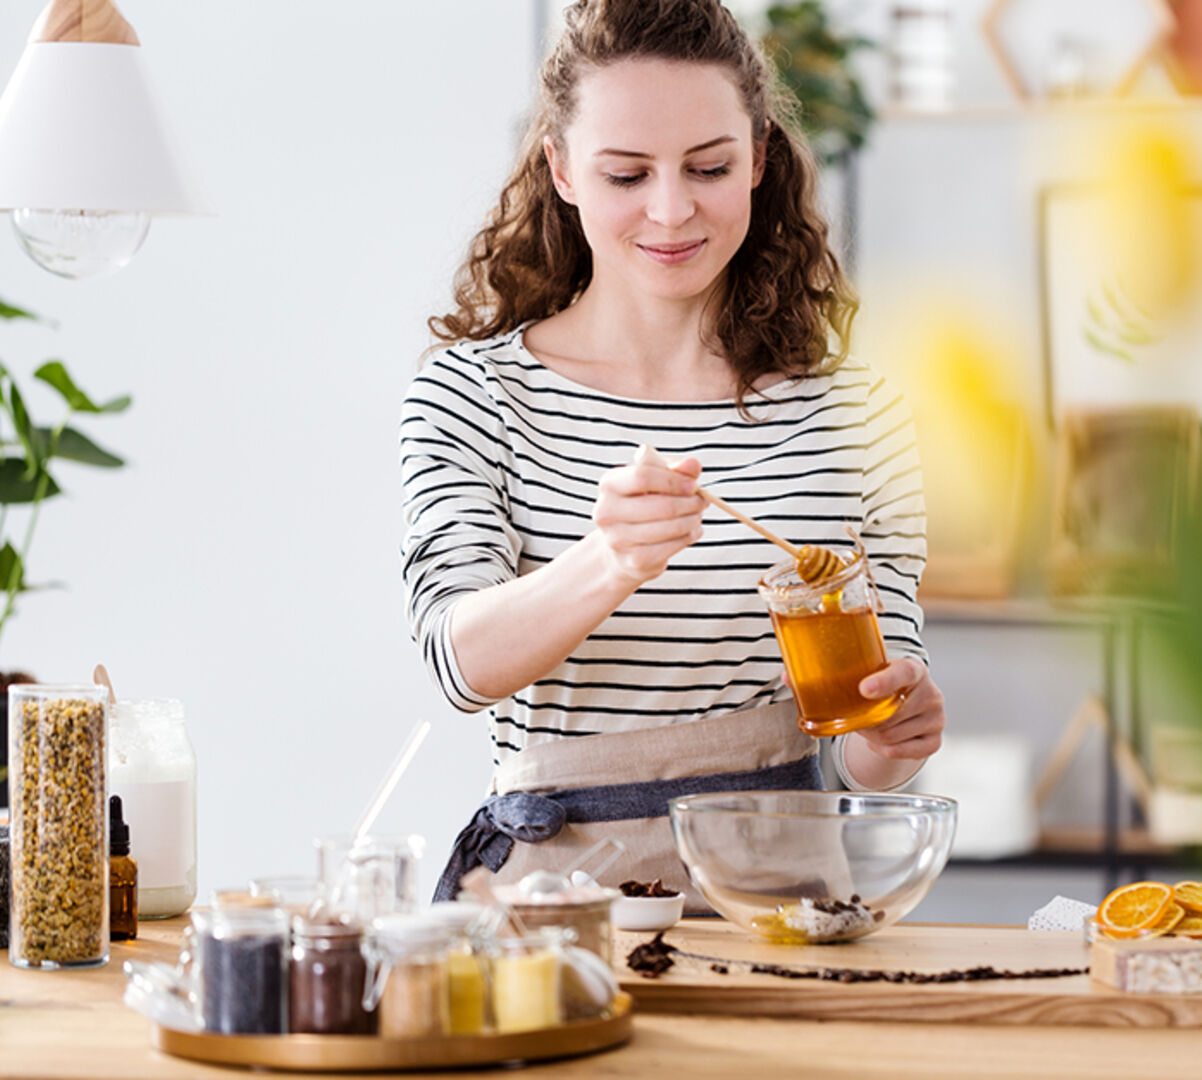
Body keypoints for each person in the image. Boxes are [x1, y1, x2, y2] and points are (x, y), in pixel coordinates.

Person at [401, 0, 947, 903]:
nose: (670, 209)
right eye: (626, 173)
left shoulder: (860, 413)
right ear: (561, 169)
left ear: (758, 159)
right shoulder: (475, 394)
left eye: (708, 167)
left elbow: (864, 740)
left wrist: (894, 738)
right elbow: (457, 665)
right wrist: (607, 561)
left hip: (779, 895)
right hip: (558, 902)